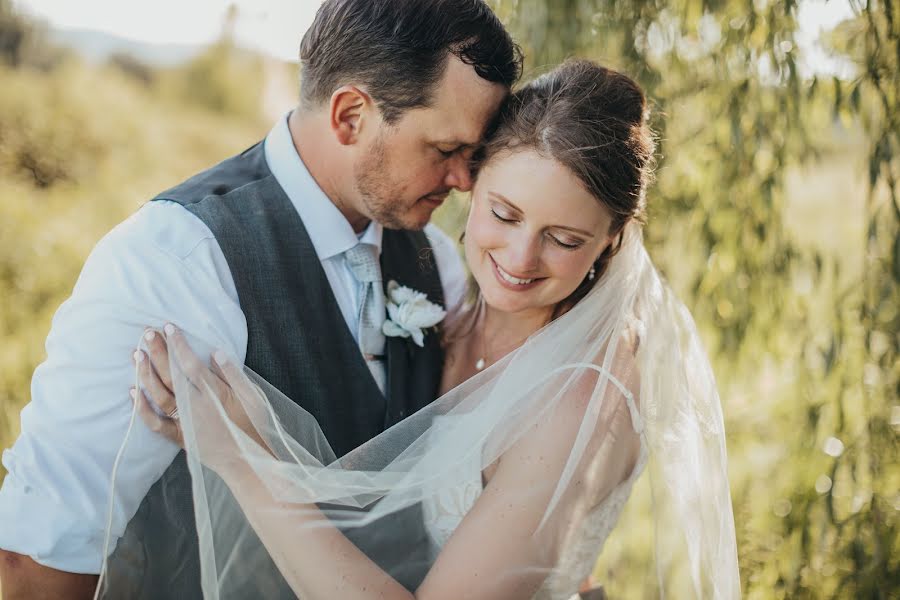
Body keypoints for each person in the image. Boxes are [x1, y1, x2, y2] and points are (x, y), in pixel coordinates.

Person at [125, 60, 742, 599]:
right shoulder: (441, 298)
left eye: (564, 239)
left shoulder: (584, 395)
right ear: (472, 182)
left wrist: (236, 457)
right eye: (505, 214)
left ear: (612, 239)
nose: (521, 258)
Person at [0, 1, 522, 598]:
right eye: (444, 149)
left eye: (473, 154)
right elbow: (40, 561)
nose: (464, 180)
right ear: (351, 116)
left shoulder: (438, 260)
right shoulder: (173, 263)